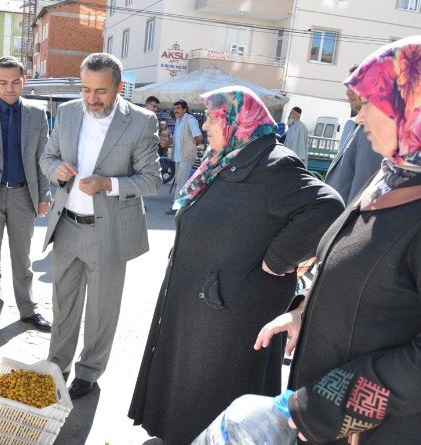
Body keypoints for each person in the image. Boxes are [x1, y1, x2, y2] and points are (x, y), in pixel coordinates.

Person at [128, 86, 344, 444]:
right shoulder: (225, 158)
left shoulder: (274, 163)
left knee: (214, 385)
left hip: (231, 305)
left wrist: (278, 259)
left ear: (237, 120)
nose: (207, 124)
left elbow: (328, 205)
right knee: (189, 377)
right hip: (200, 296)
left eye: (213, 117)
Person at [255, 36, 421, 445]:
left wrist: (326, 407)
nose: (359, 117)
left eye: (371, 103)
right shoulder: (391, 178)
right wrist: (303, 311)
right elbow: (346, 262)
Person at [39, 53, 161, 399]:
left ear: (120, 87)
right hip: (66, 226)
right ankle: (56, 364)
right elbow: (47, 157)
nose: (92, 99)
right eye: (86, 89)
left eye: (101, 91)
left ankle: (89, 372)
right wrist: (57, 169)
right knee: (63, 303)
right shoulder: (67, 112)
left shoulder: (140, 121)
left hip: (108, 231)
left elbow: (152, 180)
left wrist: (108, 183)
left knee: (101, 309)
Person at [0, 56, 52, 337]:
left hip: (23, 196)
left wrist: (44, 195)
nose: (10, 88)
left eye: (15, 82)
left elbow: (43, 158)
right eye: (3, 82)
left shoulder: (36, 114)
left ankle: (28, 311)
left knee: (23, 259)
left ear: (24, 81)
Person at [324, 65, 383, 205]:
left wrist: (347, 225)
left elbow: (362, 188)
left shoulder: (370, 130)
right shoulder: (357, 126)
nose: (348, 93)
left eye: (354, 85)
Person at [168, 99, 203, 212]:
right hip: (178, 157)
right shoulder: (178, 120)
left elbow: (199, 138)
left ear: (185, 109)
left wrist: (191, 147)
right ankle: (182, 204)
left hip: (186, 156)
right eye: (174, 108)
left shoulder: (190, 120)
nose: (175, 110)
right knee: (179, 181)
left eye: (178, 108)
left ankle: (176, 208)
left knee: (181, 182)